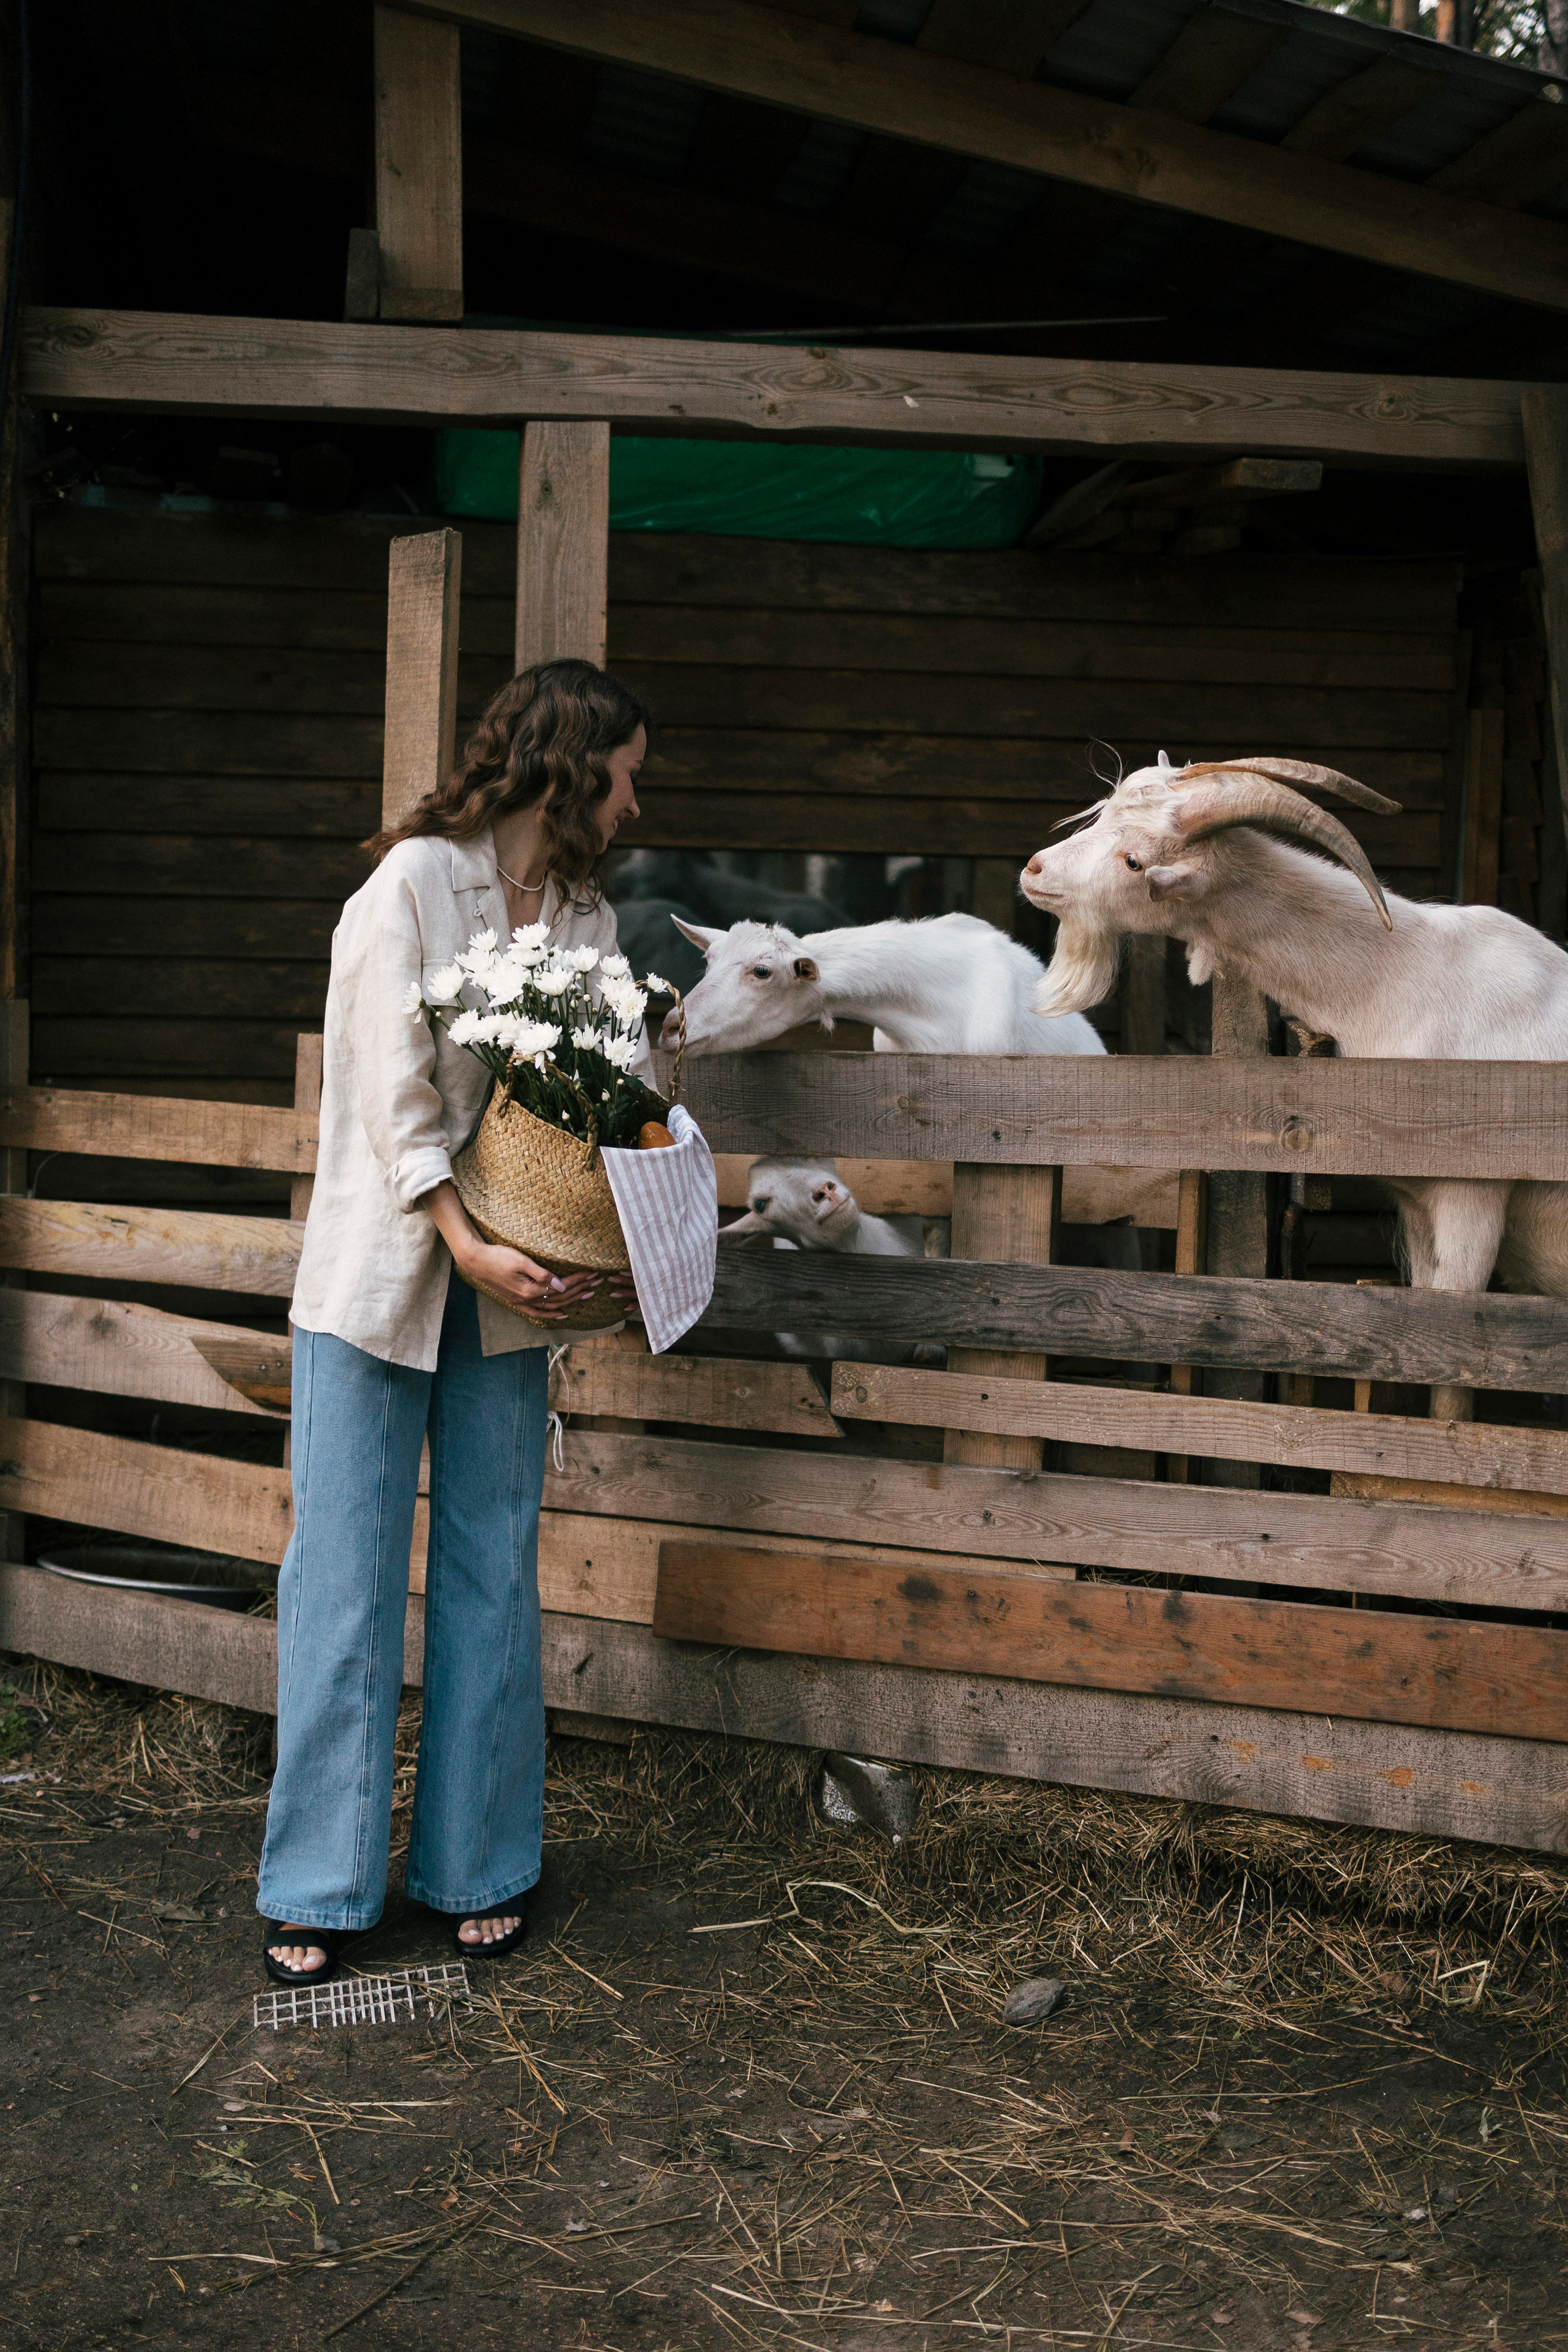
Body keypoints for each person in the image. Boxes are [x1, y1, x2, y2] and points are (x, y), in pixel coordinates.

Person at [257, 658, 651, 1985]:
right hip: (384, 1279)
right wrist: (464, 1242)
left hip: (516, 1289)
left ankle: (478, 1864)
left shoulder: (586, 916)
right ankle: (318, 1883)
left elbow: (600, 1088)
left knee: (495, 1567)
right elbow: (387, 1085)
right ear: (572, 766)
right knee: (346, 1579)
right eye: (630, 772)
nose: (638, 801)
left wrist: (617, 1204)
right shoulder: (417, 882)